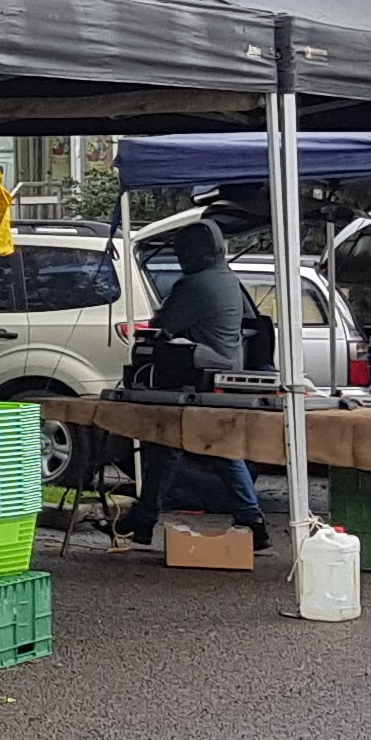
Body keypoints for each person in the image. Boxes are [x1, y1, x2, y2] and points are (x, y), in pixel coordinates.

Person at [127, 220, 267, 544]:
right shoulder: (227, 279)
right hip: (224, 371)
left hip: (195, 380)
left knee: (173, 446)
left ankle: (145, 519)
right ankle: (251, 519)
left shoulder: (194, 286)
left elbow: (163, 326)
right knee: (216, 449)